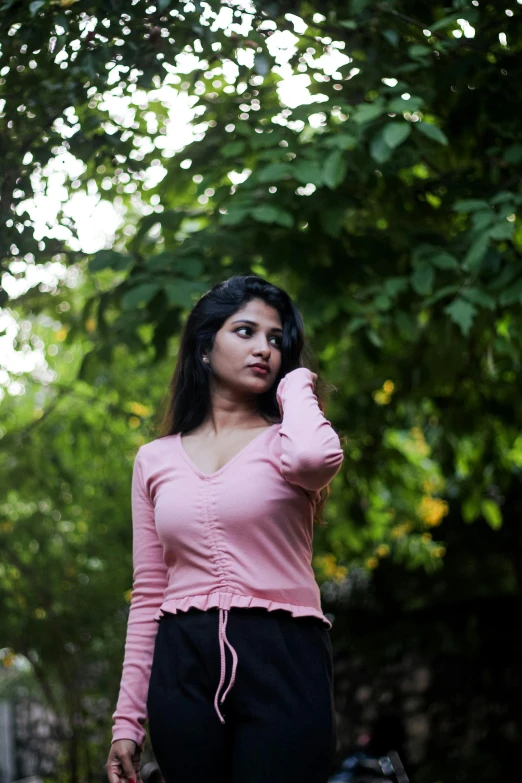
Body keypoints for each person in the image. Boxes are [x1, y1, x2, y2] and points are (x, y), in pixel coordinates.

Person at [106, 274, 345, 783]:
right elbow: (149, 593)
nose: (264, 348)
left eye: (276, 339)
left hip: (284, 654)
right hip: (184, 663)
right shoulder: (154, 459)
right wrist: (127, 721)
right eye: (245, 332)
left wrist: (297, 383)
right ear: (204, 349)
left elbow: (316, 459)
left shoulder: (290, 438)